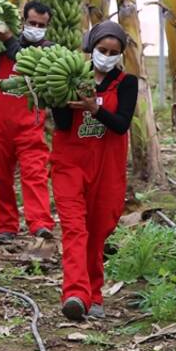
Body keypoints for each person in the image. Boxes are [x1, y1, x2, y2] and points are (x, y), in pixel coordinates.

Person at [49, 22, 138, 322]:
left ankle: (94, 294)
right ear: (91, 48)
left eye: (113, 52)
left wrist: (94, 108)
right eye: (102, 50)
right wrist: (59, 100)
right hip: (70, 164)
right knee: (74, 228)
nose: (107, 56)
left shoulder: (126, 83)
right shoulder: (72, 76)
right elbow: (61, 124)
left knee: (97, 232)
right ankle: (75, 294)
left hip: (107, 169)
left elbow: (121, 123)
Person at [0, 2, 56, 244]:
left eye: (41, 25)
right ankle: (6, 225)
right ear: (23, 21)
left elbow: (24, 58)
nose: (36, 28)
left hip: (29, 124)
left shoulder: (47, 50)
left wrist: (8, 39)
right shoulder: (1, 47)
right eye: (32, 23)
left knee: (35, 172)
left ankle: (40, 223)